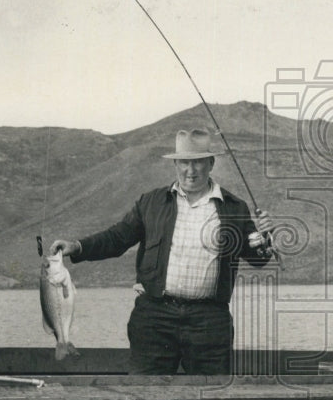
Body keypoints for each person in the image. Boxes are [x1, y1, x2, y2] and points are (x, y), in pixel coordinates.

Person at [50, 129, 275, 374]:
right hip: (154, 318)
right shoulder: (151, 202)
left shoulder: (234, 208)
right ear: (175, 164)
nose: (191, 170)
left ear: (210, 163)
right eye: (184, 162)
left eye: (198, 162)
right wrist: (76, 247)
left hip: (210, 321)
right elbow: (116, 238)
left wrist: (265, 236)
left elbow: (257, 258)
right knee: (144, 394)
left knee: (211, 396)